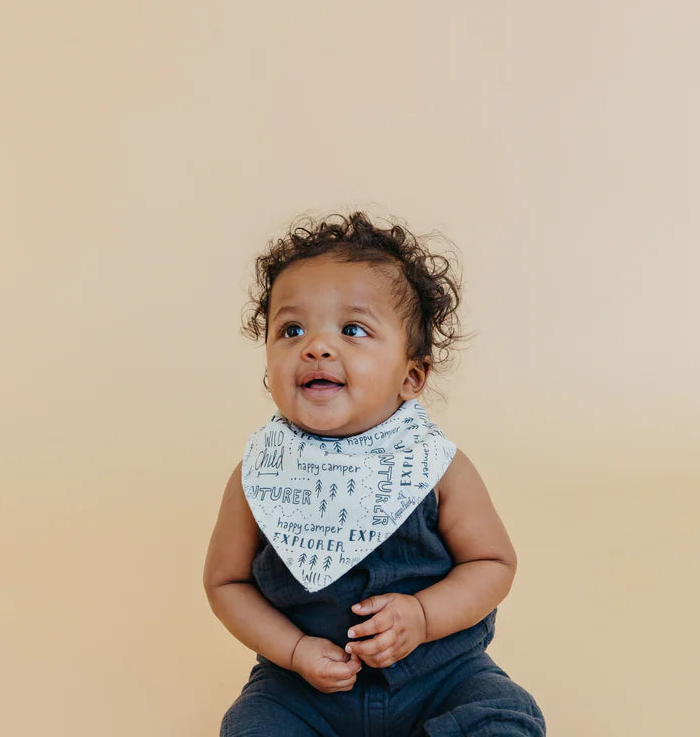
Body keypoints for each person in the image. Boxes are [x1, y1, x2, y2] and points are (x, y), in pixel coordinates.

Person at [204, 211, 546, 736]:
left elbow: (493, 563)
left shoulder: (435, 466)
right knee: (251, 727)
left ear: (411, 376)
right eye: (291, 330)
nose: (316, 347)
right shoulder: (259, 475)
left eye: (353, 329)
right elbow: (226, 582)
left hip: (441, 674)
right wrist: (293, 651)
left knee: (503, 715)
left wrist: (423, 616)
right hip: (301, 690)